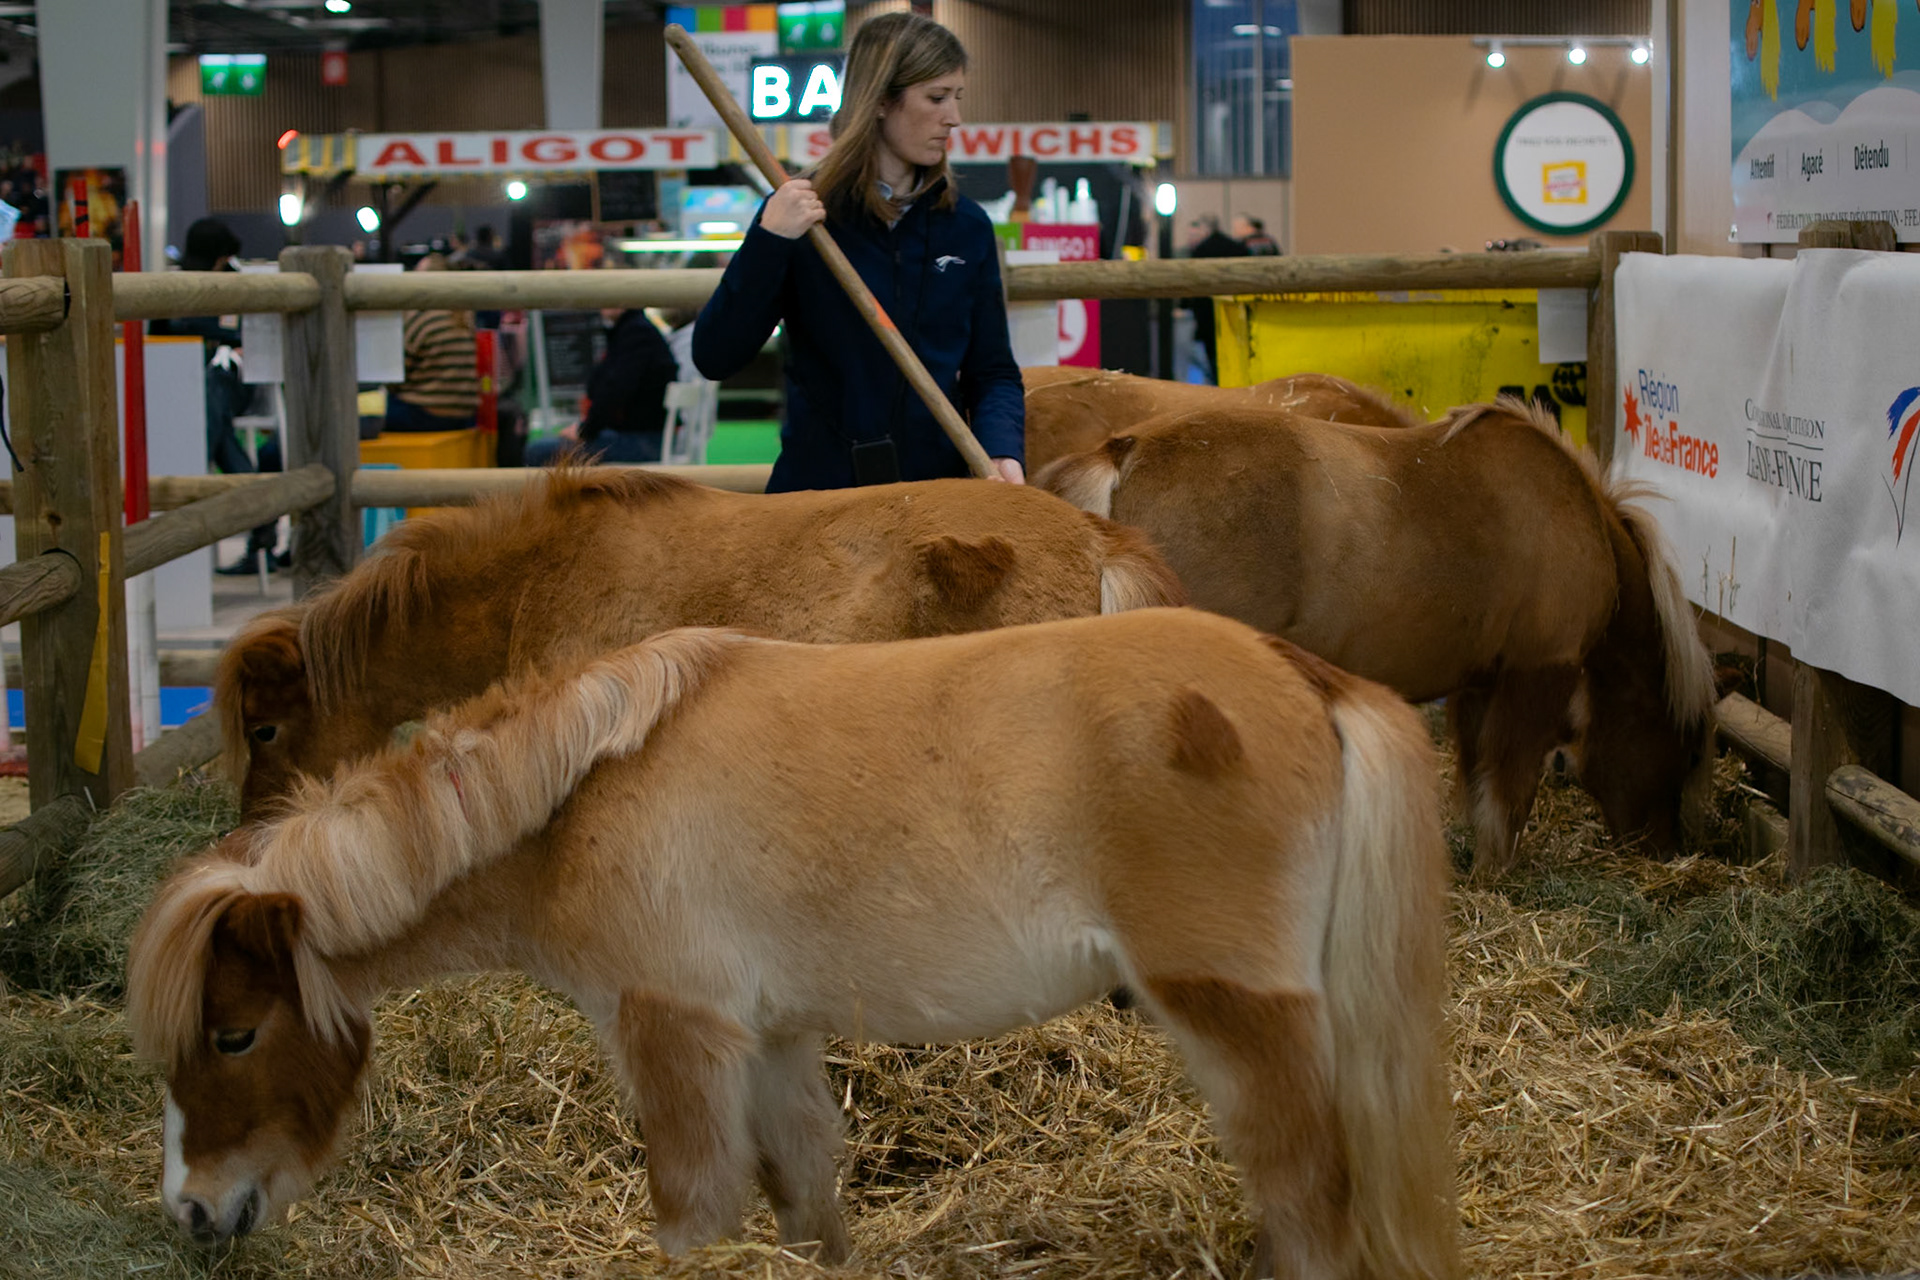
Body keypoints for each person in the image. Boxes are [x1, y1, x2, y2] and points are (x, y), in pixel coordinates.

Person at [692, 11, 1024, 490]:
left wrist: (1002, 450)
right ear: (881, 99)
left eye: (957, 97)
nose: (954, 117)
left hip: (933, 498)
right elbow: (714, 355)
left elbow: (992, 371)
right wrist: (770, 242)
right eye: (936, 98)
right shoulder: (801, 215)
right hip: (821, 497)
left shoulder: (965, 226)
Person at [151, 217, 283, 575]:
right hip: (181, 387)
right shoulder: (176, 283)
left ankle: (196, 473)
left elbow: (252, 339)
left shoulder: (235, 284)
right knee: (216, 417)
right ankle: (261, 521)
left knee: (213, 389)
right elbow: (158, 335)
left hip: (224, 384)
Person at [525, 307, 679, 466]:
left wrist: (583, 431)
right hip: (648, 439)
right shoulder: (633, 330)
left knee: (537, 451)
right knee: (545, 448)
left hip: (644, 442)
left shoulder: (635, 333)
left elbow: (614, 393)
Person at [384, 254, 481, 432]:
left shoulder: (422, 318)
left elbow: (396, 374)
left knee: (366, 413)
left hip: (424, 413)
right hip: (463, 416)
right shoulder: (465, 317)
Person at [1183, 214, 1248, 383]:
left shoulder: (1200, 251)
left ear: (1205, 229)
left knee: (1212, 355)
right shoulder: (1236, 247)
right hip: (1237, 309)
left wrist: (1185, 306)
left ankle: (1218, 382)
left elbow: (1191, 283)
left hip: (1207, 313)